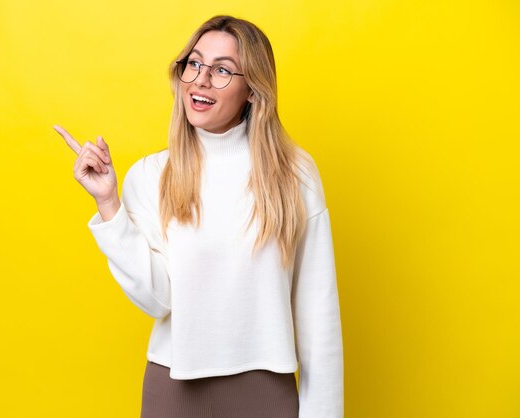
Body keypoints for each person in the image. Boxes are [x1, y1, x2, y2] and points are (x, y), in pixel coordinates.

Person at [54, 14, 343, 418]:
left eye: (222, 70)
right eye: (194, 63)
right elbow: (158, 300)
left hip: (267, 393)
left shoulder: (294, 173)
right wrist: (109, 205)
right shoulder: (151, 175)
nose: (202, 80)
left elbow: (318, 311)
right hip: (173, 392)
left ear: (254, 92)